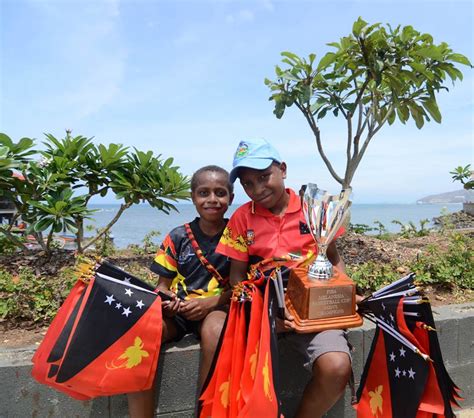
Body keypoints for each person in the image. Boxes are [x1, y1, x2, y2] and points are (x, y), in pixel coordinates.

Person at [216, 138, 352, 418]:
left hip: (314, 309)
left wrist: (340, 299)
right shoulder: (242, 218)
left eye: (264, 177)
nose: (257, 189)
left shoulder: (314, 208)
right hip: (262, 311)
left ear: (283, 170)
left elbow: (333, 259)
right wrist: (264, 317)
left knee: (336, 367)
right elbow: (237, 278)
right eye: (248, 183)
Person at [128, 165, 234, 418]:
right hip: (180, 312)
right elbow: (162, 286)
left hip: (218, 308)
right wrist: (169, 303)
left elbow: (243, 285)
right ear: (193, 197)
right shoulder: (178, 237)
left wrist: (210, 303)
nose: (212, 199)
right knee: (140, 334)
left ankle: (206, 413)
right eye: (203, 193)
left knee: (216, 331)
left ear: (230, 198)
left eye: (220, 193)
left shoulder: (237, 236)